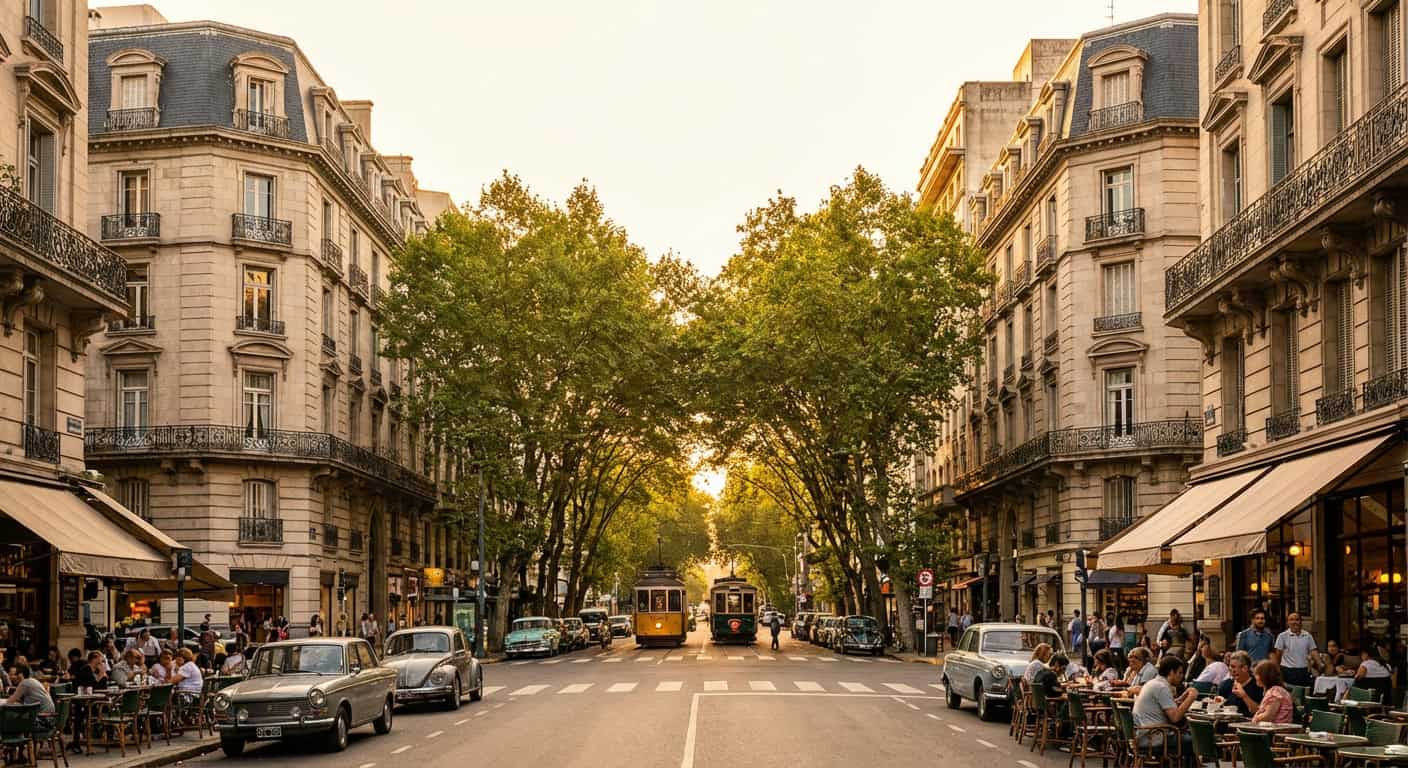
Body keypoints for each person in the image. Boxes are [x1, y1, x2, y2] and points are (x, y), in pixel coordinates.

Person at [1131, 655, 1198, 756]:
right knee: (1196, 740)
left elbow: (1165, 705)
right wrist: (1191, 698)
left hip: (1143, 735)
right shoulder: (1161, 687)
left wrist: (1182, 698)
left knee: (1189, 736)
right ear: (1171, 672)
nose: (1182, 676)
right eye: (1179, 672)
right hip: (1153, 738)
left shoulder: (1153, 683)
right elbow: (1175, 717)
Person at [1273, 612, 1318, 688]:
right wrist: (1278, 673)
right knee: (1290, 696)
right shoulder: (1282, 636)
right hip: (1288, 671)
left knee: (1304, 695)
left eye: (1297, 620)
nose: (1294, 622)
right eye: (1291, 620)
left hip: (1304, 671)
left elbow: (1313, 650)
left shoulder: (1308, 635)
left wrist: (1320, 663)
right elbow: (1277, 656)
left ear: (1301, 621)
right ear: (1288, 622)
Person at [1218, 650, 1264, 716]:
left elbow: (1258, 711)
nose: (1231, 670)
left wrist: (1244, 695)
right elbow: (1218, 706)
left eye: (1233, 667)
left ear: (1245, 668)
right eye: (1230, 666)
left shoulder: (1258, 685)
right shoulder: (1226, 684)